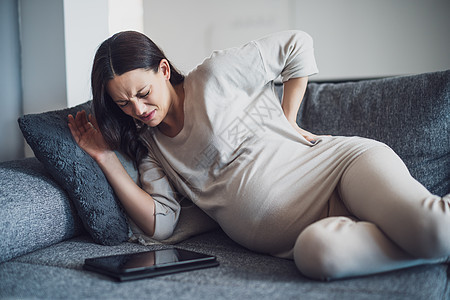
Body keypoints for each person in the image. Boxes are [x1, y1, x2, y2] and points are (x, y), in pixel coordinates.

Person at [68, 30, 450, 281]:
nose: (137, 109)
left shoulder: (214, 76)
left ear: (164, 70)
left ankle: (430, 235)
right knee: (319, 258)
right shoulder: (153, 148)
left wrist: (287, 121)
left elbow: (297, 45)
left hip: (339, 169)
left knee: (434, 231)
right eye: (123, 103)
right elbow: (161, 224)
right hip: (308, 236)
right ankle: (427, 246)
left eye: (143, 92)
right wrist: (105, 158)